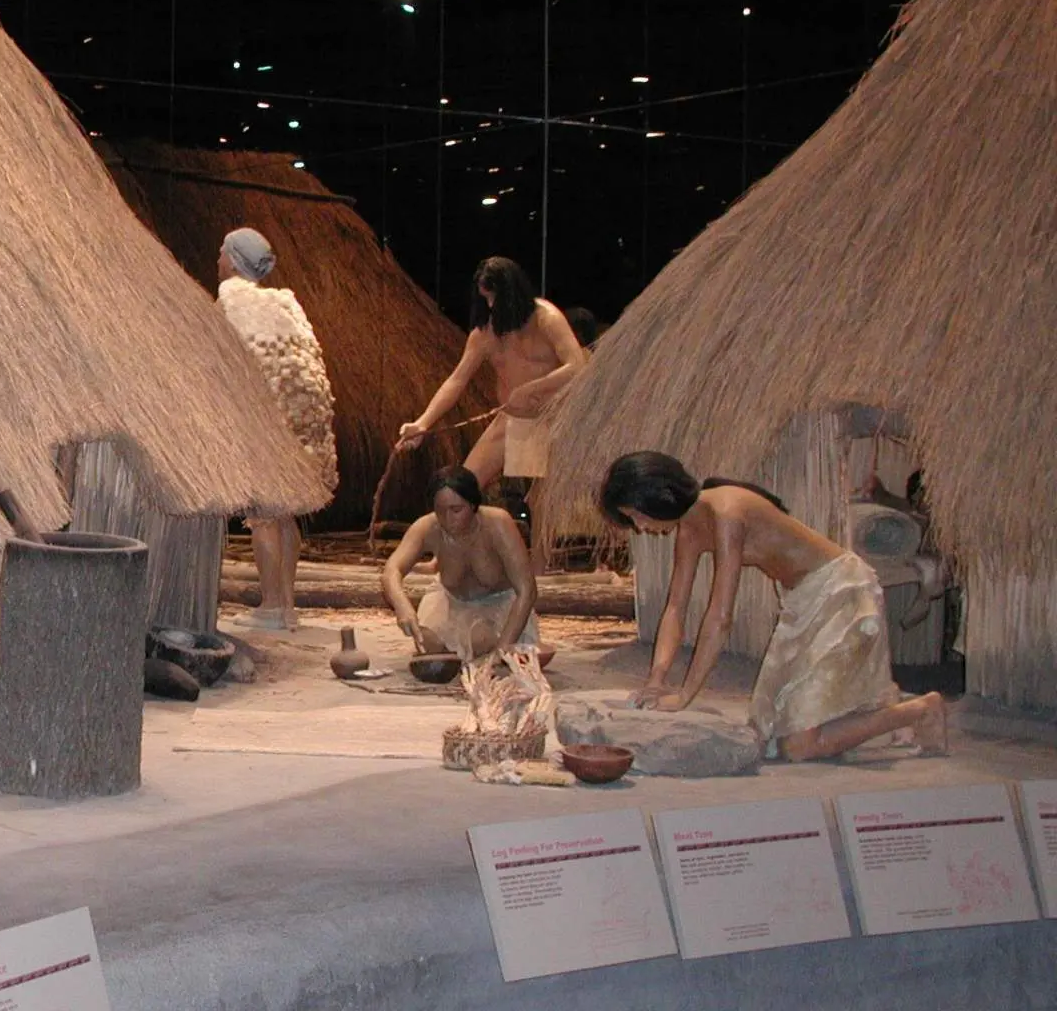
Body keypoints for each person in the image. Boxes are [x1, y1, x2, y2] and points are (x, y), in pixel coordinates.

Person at [598, 451, 948, 761]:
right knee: (767, 732)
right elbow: (676, 606)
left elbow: (721, 615)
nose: (640, 527)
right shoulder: (689, 529)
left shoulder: (727, 511)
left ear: (660, 497)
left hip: (842, 592)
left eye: (637, 515)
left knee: (798, 747)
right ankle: (884, 716)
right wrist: (657, 680)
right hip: (804, 601)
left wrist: (685, 695)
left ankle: (920, 710)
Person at [217, 227, 338, 631]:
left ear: (233, 260)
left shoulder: (233, 300)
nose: (218, 260)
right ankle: (286, 602)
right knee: (284, 514)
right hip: (301, 423)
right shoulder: (286, 305)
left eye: (222, 254)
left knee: (265, 514)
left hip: (267, 418)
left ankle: (271, 604)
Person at [396, 257, 586, 487]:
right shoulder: (484, 333)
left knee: (544, 503)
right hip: (511, 419)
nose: (491, 305)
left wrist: (530, 389)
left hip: (554, 421)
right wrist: (423, 423)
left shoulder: (546, 318)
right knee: (462, 489)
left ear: (513, 294)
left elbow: (576, 366)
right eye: (486, 298)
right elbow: (457, 380)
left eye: (495, 298)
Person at [381, 466, 544, 662]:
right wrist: (402, 606)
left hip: (499, 608)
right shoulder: (428, 527)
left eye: (456, 510)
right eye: (440, 510)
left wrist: (500, 653)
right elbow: (391, 570)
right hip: (451, 605)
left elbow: (527, 591)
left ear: (474, 505)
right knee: (428, 643)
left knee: (481, 638)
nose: (448, 519)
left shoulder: (497, 524)